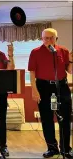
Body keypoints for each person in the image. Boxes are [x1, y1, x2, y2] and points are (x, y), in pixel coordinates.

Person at [28, 28, 73, 158]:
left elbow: (69, 71)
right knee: (47, 119)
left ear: (56, 39)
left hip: (61, 86)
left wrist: (70, 60)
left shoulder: (63, 51)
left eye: (51, 38)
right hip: (43, 87)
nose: (48, 40)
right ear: (42, 39)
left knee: (64, 119)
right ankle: (52, 148)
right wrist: (34, 90)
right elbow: (32, 73)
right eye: (45, 38)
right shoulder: (35, 52)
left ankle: (66, 149)